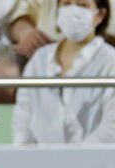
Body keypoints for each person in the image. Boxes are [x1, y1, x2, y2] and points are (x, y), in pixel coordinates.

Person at [14, 0, 115, 143]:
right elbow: (23, 118)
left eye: (82, 5)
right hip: (40, 160)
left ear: (100, 15)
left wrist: (76, 160)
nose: (73, 11)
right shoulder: (40, 59)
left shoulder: (110, 61)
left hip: (96, 161)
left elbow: (111, 128)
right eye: (67, 3)